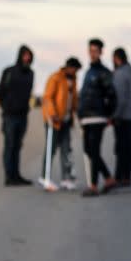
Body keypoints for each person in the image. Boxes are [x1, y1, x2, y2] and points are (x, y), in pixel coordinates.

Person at [78, 38, 118, 197]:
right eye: (90, 50)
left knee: (94, 150)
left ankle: (93, 185)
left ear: (101, 52)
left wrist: (109, 115)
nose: (92, 54)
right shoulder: (88, 72)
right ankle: (108, 179)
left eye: (95, 51)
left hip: (98, 117)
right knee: (88, 150)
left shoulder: (104, 72)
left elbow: (112, 96)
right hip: (86, 117)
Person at [39, 57, 82, 192]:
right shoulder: (55, 78)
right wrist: (52, 114)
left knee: (66, 149)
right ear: (69, 67)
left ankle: (66, 178)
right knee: (51, 149)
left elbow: (73, 99)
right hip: (54, 120)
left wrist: (77, 112)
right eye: (74, 69)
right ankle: (45, 178)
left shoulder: (73, 80)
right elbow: (47, 97)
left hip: (67, 120)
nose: (75, 72)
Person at [0, 45, 34, 186]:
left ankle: (16, 175)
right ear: (20, 56)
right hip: (10, 116)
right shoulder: (9, 72)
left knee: (18, 146)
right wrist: (7, 108)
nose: (27, 58)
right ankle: (9, 176)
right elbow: (0, 92)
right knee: (10, 145)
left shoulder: (31, 73)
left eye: (29, 55)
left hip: (23, 115)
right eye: (25, 55)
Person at [111, 47, 131, 189]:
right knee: (128, 147)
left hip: (122, 117)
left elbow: (120, 98)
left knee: (120, 148)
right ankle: (127, 177)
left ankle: (119, 177)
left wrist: (114, 115)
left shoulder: (121, 73)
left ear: (116, 58)